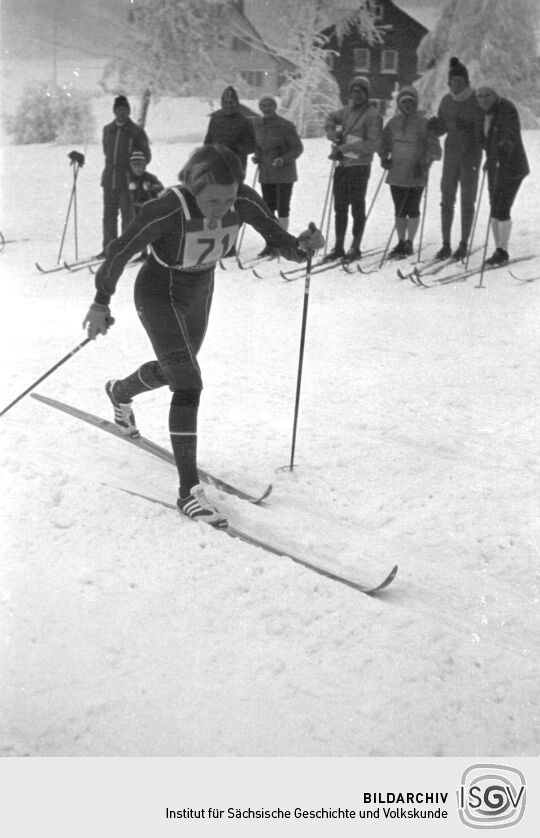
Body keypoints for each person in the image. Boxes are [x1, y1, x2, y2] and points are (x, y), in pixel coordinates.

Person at [82, 145, 324, 528]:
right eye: (213, 199)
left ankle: (120, 392)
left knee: (178, 368)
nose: (221, 207)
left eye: (228, 198)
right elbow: (118, 252)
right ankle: (188, 492)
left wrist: (301, 247)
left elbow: (280, 240)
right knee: (188, 383)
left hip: (199, 290)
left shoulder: (242, 200)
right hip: (158, 292)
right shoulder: (166, 208)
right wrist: (100, 302)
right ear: (194, 188)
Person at [428, 57, 484, 260]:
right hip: (451, 155)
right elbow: (443, 128)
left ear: (466, 82)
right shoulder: (446, 101)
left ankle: (463, 243)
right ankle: (445, 244)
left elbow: (483, 129)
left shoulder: (476, 100)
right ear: (449, 83)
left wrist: (475, 134)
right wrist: (435, 127)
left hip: (471, 155)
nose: (456, 85)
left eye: (460, 81)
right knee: (446, 199)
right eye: (453, 82)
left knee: (467, 200)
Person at [323, 76, 382, 263]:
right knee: (340, 207)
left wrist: (346, 147)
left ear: (367, 94)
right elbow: (330, 118)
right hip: (342, 165)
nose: (357, 95)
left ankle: (355, 246)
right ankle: (339, 246)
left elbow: (373, 144)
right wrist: (332, 134)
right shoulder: (346, 111)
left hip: (360, 166)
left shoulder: (373, 115)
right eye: (354, 92)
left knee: (357, 206)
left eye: (361, 91)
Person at [379, 86, 441, 257]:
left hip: (416, 173)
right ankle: (400, 241)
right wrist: (384, 158)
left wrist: (424, 162)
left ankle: (410, 242)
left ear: (416, 103)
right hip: (397, 173)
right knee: (399, 209)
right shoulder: (393, 123)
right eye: (404, 102)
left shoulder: (424, 123)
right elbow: (383, 143)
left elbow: (436, 151)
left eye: (411, 102)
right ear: (399, 104)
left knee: (412, 208)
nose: (407, 105)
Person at [476, 85, 529, 266]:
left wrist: (500, 151)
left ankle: (502, 251)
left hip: (512, 166)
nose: (483, 99)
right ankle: (498, 248)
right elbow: (484, 138)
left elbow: (509, 135)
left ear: (495, 95)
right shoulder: (484, 113)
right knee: (494, 206)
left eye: (487, 95)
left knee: (502, 206)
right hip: (494, 164)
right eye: (480, 96)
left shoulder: (506, 109)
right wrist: (490, 158)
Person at [98, 95, 151, 258]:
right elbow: (107, 151)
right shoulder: (108, 130)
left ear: (128, 111)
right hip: (109, 180)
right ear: (114, 111)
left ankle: (129, 248)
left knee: (129, 216)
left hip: (128, 181)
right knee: (109, 217)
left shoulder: (136, 131)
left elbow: (146, 155)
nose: (121, 113)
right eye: (118, 109)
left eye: (124, 109)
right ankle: (109, 248)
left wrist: (135, 168)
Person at [252, 96, 304, 257]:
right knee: (268, 210)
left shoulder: (285, 125)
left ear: (275, 107)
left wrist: (284, 159)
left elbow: (297, 148)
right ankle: (271, 244)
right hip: (266, 173)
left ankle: (283, 244)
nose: (266, 108)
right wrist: (258, 156)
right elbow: (259, 146)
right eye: (263, 105)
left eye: (269, 105)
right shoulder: (258, 125)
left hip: (284, 173)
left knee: (282, 208)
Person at [203, 86, 256, 174]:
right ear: (222, 104)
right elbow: (208, 140)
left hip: (236, 165)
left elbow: (252, 145)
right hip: (215, 164)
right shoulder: (215, 119)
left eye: (231, 102)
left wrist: (236, 148)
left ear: (236, 104)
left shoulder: (244, 122)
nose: (228, 105)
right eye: (225, 102)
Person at [127, 151, 164, 215]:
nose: (138, 169)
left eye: (140, 166)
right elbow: (122, 195)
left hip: (148, 209)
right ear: (131, 167)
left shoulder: (150, 178)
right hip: (132, 211)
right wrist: (129, 189)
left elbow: (161, 189)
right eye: (135, 166)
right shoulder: (128, 179)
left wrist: (151, 187)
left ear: (144, 166)